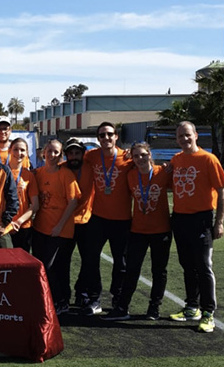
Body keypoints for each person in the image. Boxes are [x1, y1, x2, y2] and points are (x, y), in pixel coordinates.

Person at [168, 121, 224, 333]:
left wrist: (218, 222)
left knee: (203, 266)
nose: (184, 139)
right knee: (187, 265)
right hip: (180, 219)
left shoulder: (208, 159)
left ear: (195, 135)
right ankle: (191, 307)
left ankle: (208, 312)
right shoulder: (176, 159)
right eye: (180, 136)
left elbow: (222, 190)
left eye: (187, 135)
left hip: (201, 220)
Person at [102, 141, 172, 321]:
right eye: (136, 156)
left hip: (161, 230)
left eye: (143, 154)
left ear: (150, 154)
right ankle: (122, 307)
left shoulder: (162, 172)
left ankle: (154, 307)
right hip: (138, 230)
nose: (140, 158)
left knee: (159, 270)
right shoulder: (130, 175)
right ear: (131, 158)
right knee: (132, 269)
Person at [82, 122, 134, 315]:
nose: (106, 138)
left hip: (122, 220)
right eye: (102, 135)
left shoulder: (127, 158)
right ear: (98, 139)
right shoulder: (92, 156)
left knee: (121, 263)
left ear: (116, 136)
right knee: (91, 259)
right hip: (98, 217)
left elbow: (146, 163)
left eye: (109, 134)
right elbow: (75, 160)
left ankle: (117, 298)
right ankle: (95, 299)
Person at [32, 139, 81, 314]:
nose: (52, 155)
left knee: (55, 266)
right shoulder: (37, 173)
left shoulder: (65, 174)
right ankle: (47, 299)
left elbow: (73, 201)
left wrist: (60, 225)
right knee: (41, 266)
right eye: (50, 151)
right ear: (43, 152)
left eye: (56, 152)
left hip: (60, 230)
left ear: (60, 155)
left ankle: (62, 301)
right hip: (40, 228)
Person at [60, 138, 95, 309]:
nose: (74, 156)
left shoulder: (91, 167)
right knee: (63, 262)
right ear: (66, 155)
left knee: (88, 260)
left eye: (77, 153)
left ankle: (82, 293)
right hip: (66, 222)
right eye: (71, 153)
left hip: (86, 220)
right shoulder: (61, 169)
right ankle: (63, 297)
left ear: (83, 153)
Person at [7, 138, 39, 252]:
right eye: (15, 149)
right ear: (10, 150)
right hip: (4, 225)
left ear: (26, 153)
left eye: (22, 150)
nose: (19, 153)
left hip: (23, 226)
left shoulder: (29, 175)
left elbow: (35, 205)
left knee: (22, 264)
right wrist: (8, 222)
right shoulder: (1, 172)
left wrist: (19, 222)